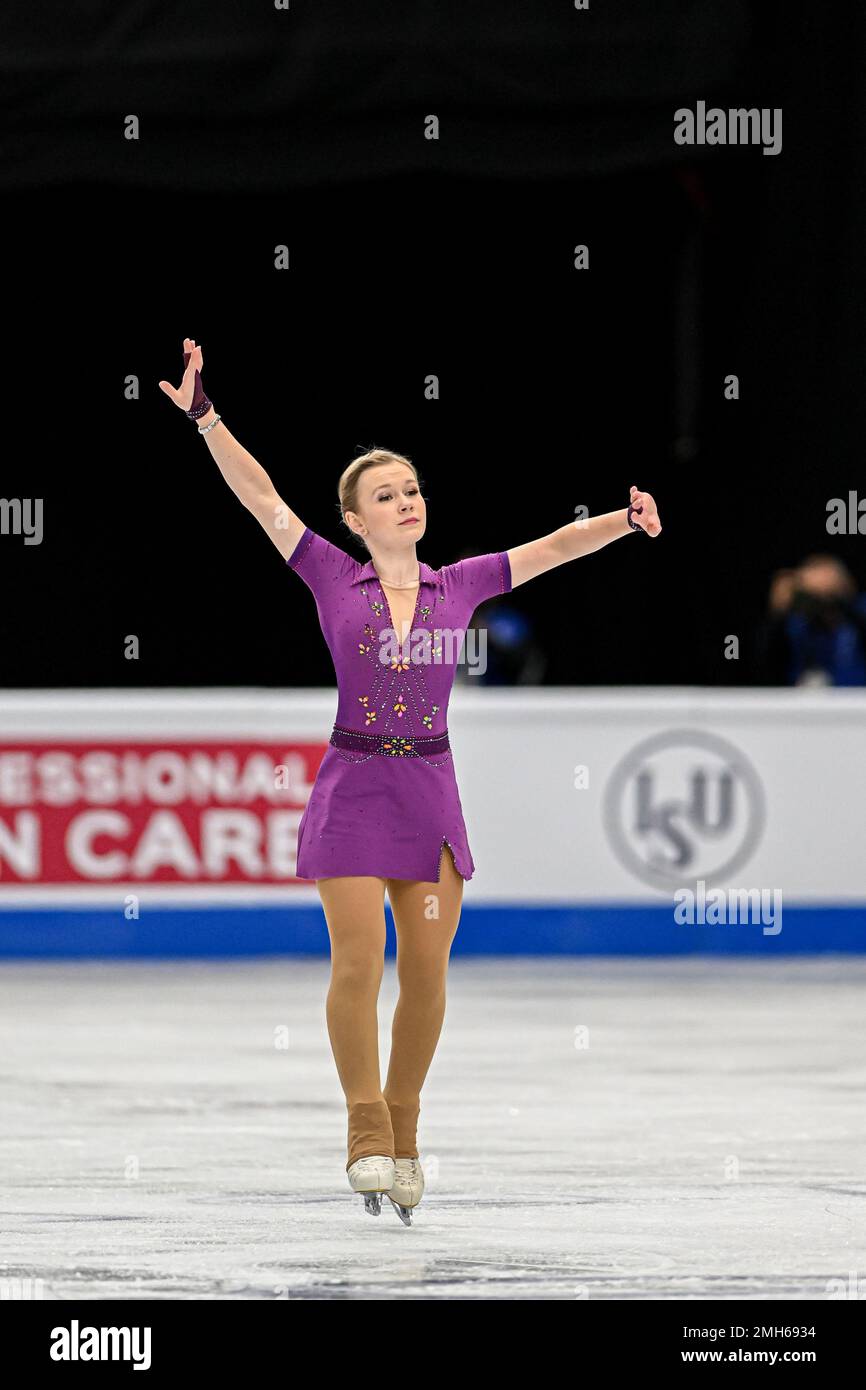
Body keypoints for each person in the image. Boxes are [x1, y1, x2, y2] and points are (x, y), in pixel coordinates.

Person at [159, 338, 663, 1222]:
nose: (406, 502)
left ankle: (407, 1126)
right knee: (358, 961)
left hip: (428, 791)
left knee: (426, 972)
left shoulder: (457, 586)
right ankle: (364, 1130)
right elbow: (260, 496)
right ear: (354, 518)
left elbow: (550, 547)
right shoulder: (326, 572)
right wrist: (207, 417)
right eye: (386, 495)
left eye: (413, 489)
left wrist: (624, 522)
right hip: (353, 787)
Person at [759, 555, 866, 686]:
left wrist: (841, 599)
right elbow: (764, 662)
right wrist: (778, 612)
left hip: (857, 700)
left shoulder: (857, 616)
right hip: (801, 701)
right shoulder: (795, 624)